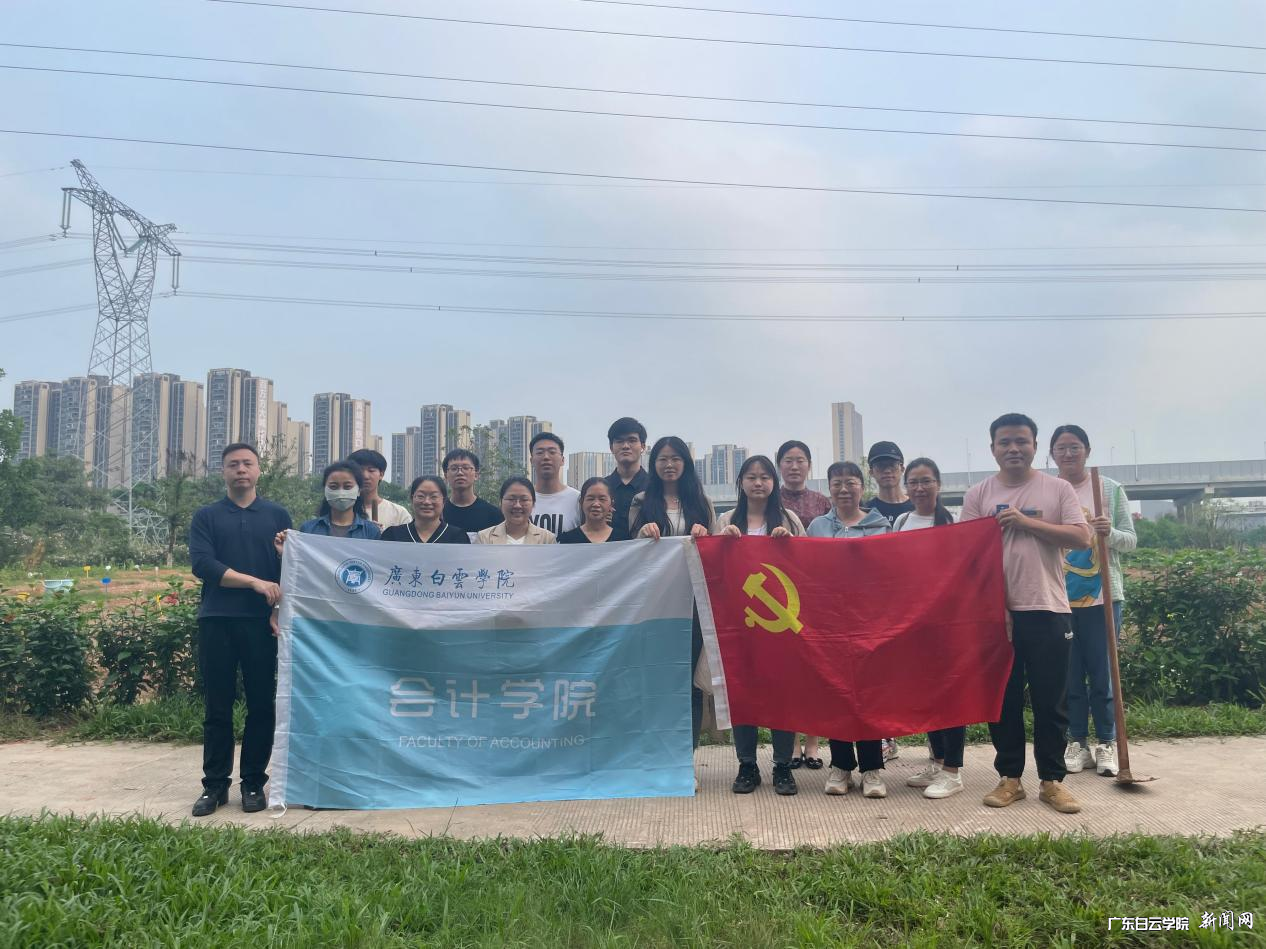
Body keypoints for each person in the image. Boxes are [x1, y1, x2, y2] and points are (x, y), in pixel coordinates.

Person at [961, 413, 1091, 815]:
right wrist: (991, 605)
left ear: (1035, 446)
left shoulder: (1057, 489)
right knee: (1004, 699)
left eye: (1022, 441)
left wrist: (1026, 522)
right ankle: (1010, 778)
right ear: (993, 448)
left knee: (1052, 699)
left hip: (1048, 607)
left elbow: (1081, 536)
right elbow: (967, 555)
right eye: (1005, 442)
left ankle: (1052, 780)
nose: (1013, 448)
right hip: (998, 614)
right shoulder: (978, 494)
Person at [187, 442, 291, 817]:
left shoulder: (277, 515)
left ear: (259, 470)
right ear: (224, 472)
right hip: (217, 619)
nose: (241, 470)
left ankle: (253, 783)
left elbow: (290, 570)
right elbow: (203, 565)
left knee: (261, 704)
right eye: (233, 465)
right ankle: (215, 786)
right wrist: (253, 582)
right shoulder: (207, 516)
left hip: (261, 623)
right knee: (218, 705)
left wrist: (277, 604)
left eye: (247, 463)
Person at [713, 455, 804, 797]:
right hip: (739, 623)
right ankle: (747, 764)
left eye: (765, 477)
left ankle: (783, 765)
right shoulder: (726, 519)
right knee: (742, 690)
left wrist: (790, 544)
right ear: (740, 483)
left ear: (774, 483)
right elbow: (712, 568)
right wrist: (722, 542)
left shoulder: (789, 519)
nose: (758, 483)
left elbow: (808, 566)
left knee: (783, 692)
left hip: (781, 626)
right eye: (751, 477)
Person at [1050, 424, 1137, 779]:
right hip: (1058, 596)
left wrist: (1108, 532)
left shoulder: (1109, 489)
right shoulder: (1049, 490)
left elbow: (1130, 540)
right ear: (1052, 454)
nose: (1068, 454)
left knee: (1103, 674)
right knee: (1070, 675)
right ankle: (1077, 742)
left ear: (1087, 450)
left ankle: (1106, 743)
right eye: (1061, 448)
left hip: (1103, 597)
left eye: (1075, 447)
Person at [807, 461, 890, 798]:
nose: (844, 489)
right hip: (829, 622)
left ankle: (871, 769)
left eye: (851, 482)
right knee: (836, 692)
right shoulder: (816, 527)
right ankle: (841, 766)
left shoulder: (880, 526)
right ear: (829, 488)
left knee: (868, 694)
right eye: (837, 483)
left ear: (862, 485)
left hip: (869, 621)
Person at [629, 436, 714, 763]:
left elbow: (716, 552)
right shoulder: (641, 501)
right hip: (655, 604)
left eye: (675, 458)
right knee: (656, 679)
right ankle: (655, 757)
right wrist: (642, 534)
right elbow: (628, 553)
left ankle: (685, 759)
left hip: (693, 604)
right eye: (662, 459)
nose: (669, 465)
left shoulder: (701, 502)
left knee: (689, 681)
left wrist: (707, 537)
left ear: (686, 464)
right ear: (654, 464)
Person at [893, 458, 968, 800]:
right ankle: (936, 761)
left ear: (939, 484)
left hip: (947, 622)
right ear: (906, 487)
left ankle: (953, 770)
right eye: (914, 482)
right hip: (913, 622)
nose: (920, 488)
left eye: (926, 481)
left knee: (950, 693)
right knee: (927, 693)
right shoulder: (902, 521)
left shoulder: (954, 523)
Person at [775, 439, 830, 771]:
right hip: (782, 595)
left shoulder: (822, 501)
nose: (794, 466)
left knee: (814, 669)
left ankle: (813, 742)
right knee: (789, 671)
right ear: (779, 465)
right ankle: (791, 743)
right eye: (788, 460)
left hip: (815, 593)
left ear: (809, 465)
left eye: (800, 460)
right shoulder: (772, 500)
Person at [864, 441, 913, 762]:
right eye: (880, 466)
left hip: (914, 602)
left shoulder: (920, 507)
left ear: (901, 468)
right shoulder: (866, 511)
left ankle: (935, 743)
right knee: (878, 675)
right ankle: (884, 735)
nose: (887, 471)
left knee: (916, 671)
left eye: (892, 465)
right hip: (876, 606)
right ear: (872, 471)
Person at [294, 460, 383, 540]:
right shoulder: (309, 529)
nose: (341, 492)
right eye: (333, 487)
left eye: (347, 487)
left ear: (359, 490)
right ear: (325, 490)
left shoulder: (371, 532)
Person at [381, 475, 471, 544]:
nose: (427, 502)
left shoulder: (457, 536)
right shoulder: (393, 535)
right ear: (412, 499)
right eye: (421, 496)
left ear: (443, 501)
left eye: (434, 497)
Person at [475, 477, 557, 544]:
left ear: (533, 503)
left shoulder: (547, 539)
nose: (517, 505)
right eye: (511, 499)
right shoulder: (484, 538)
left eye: (524, 500)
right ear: (500, 502)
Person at [441, 449, 504, 535]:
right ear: (446, 476)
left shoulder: (493, 514)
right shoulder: (439, 513)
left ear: (476, 475)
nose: (460, 473)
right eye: (454, 468)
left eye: (466, 468)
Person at [529, 432, 581, 535]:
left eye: (552, 452)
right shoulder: (522, 501)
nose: (546, 457)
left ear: (562, 460)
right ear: (531, 460)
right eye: (540, 452)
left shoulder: (577, 499)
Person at [604, 417, 649, 533]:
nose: (625, 446)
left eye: (632, 440)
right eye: (619, 441)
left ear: (643, 446)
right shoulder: (601, 488)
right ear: (611, 447)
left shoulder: (655, 487)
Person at [348, 448, 411, 531]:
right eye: (359, 470)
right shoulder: (342, 510)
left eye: (371, 470)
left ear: (381, 474)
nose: (365, 476)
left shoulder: (399, 513)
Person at [557, 478, 630, 544]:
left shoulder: (623, 540)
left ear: (611, 504)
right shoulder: (568, 540)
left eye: (602, 499)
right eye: (590, 499)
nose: (596, 504)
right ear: (581, 502)